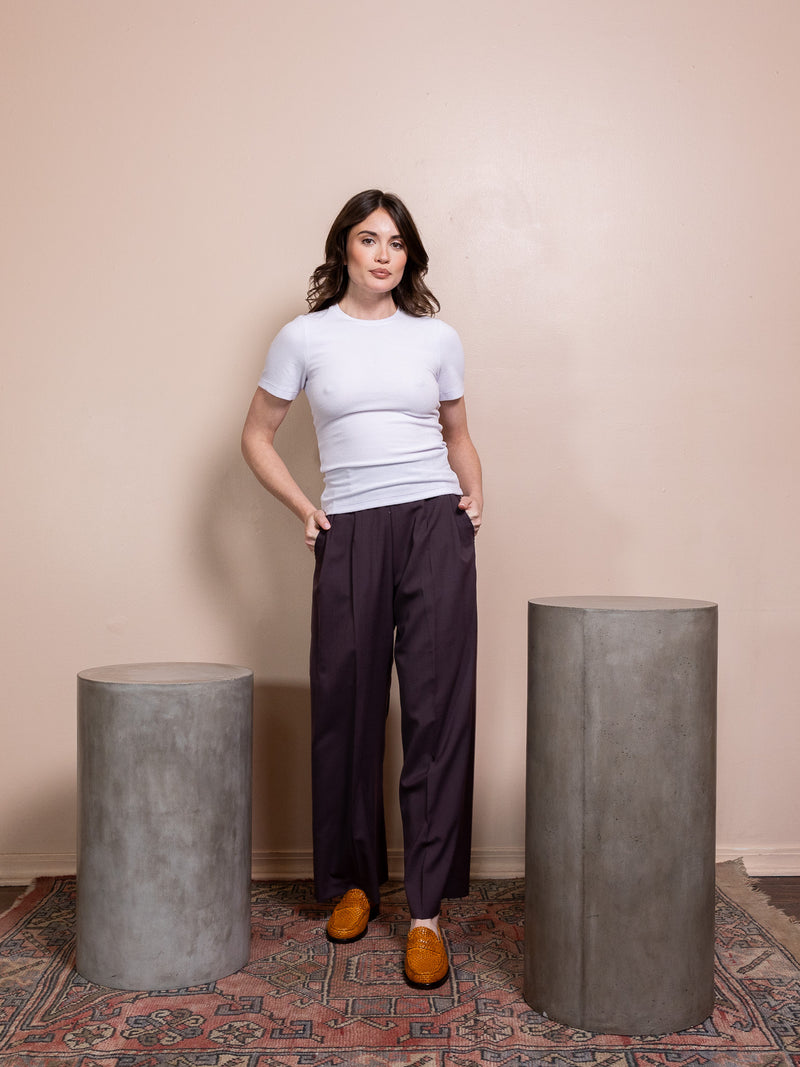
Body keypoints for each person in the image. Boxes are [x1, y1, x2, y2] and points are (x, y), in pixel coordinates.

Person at [241, 189, 482, 989]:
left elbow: (457, 434)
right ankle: (351, 882)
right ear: (342, 248)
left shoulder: (436, 337)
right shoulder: (304, 336)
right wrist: (306, 507)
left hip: (431, 522)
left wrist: (473, 497)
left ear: (409, 256)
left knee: (435, 709)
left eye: (397, 242)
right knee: (345, 703)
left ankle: (424, 913)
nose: (383, 253)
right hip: (350, 527)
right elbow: (257, 435)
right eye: (368, 238)